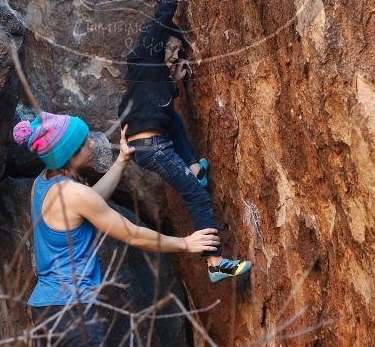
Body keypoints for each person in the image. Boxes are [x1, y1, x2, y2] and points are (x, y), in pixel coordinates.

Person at [12, 111, 220, 346]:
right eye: (83, 143)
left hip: (45, 310)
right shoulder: (74, 193)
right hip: (73, 312)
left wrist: (121, 161)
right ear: (67, 156)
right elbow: (133, 235)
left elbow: (90, 203)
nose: (91, 143)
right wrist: (184, 243)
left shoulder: (42, 184)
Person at [117, 0, 252, 283]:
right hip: (150, 146)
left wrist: (175, 81)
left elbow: (162, 111)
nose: (175, 55)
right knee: (194, 193)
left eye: (179, 52)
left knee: (175, 119)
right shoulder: (147, 55)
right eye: (172, 49)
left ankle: (194, 167)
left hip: (152, 140)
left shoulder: (157, 77)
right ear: (158, 44)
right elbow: (162, 16)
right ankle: (215, 262)